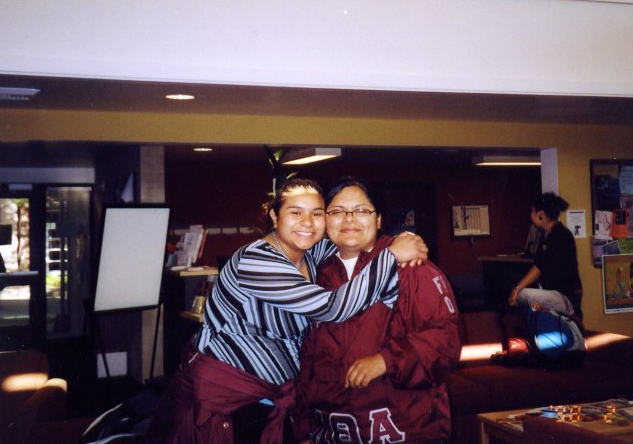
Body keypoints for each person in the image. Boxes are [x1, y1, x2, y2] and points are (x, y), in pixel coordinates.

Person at [146, 178, 427, 444]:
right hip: (223, 398)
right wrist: (392, 255)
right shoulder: (256, 260)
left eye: (317, 214)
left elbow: (350, 242)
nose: (307, 222)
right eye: (296, 212)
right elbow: (332, 307)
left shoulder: (311, 255)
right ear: (274, 217)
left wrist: (399, 241)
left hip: (269, 400)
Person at [294, 178, 460, 443]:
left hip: (400, 426)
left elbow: (445, 342)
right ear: (325, 221)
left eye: (361, 210)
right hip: (332, 430)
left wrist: (386, 361)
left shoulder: (411, 268)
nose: (349, 219)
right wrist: (304, 429)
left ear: (379, 219)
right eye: (337, 211)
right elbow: (307, 359)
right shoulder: (316, 276)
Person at [508, 192, 583, 319]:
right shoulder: (546, 235)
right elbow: (540, 264)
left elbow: (539, 267)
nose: (530, 215)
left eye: (532, 211)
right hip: (554, 294)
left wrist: (517, 288)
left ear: (541, 214)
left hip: (566, 298)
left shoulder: (561, 235)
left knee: (522, 295)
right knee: (521, 295)